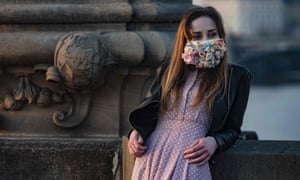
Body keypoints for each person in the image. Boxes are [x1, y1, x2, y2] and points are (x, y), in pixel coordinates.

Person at [127, 6, 251, 180]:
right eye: (197, 36)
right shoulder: (168, 71)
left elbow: (233, 128)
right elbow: (149, 109)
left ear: (220, 35)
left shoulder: (237, 77)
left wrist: (215, 142)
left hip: (191, 161)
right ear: (185, 41)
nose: (206, 41)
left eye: (212, 34)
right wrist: (136, 133)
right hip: (151, 157)